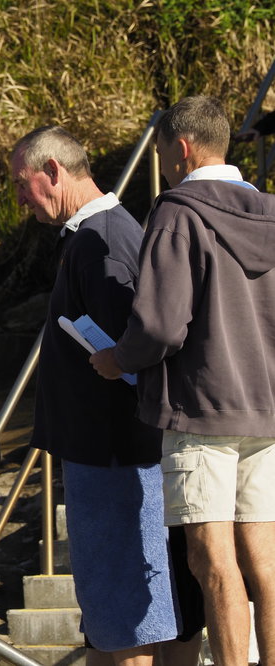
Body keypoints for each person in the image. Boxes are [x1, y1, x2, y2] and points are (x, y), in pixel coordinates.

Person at [12, 126, 208, 665]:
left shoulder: (105, 241)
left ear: (53, 171)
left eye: (22, 183)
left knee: (127, 621)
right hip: (109, 458)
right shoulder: (93, 236)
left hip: (119, 461)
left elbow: (144, 354)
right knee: (118, 620)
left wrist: (117, 361)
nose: (20, 198)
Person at [91, 95, 275, 666]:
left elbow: (160, 326)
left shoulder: (176, 212)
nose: (165, 162)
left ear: (183, 148)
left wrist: (118, 359)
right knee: (264, 561)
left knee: (210, 560)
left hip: (200, 412)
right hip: (266, 410)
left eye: (165, 151)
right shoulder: (271, 213)